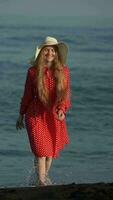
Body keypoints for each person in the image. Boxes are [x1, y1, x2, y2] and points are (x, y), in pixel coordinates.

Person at [16, 36, 71, 186]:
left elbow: (65, 94)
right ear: (41, 52)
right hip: (35, 115)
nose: (50, 53)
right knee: (41, 151)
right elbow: (27, 94)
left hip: (53, 115)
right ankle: (42, 182)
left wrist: (62, 109)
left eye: (53, 50)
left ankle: (42, 179)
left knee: (49, 153)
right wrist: (21, 114)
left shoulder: (64, 71)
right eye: (47, 50)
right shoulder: (33, 72)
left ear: (57, 53)